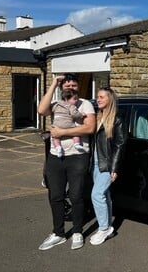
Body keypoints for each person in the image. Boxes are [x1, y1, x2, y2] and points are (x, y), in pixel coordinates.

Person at [37, 73, 96, 251]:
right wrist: (54, 83)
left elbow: (89, 127)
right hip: (56, 156)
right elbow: (41, 110)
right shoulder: (56, 104)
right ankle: (58, 233)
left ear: (78, 88)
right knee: (56, 196)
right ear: (62, 88)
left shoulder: (85, 104)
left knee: (76, 195)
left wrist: (62, 133)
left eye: (74, 85)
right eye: (67, 85)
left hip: (78, 156)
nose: (70, 87)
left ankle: (77, 231)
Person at [90, 87, 125, 245]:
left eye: (101, 97)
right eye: (97, 96)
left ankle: (103, 228)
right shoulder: (98, 117)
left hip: (107, 164)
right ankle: (109, 226)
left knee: (96, 195)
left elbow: (120, 144)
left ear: (110, 99)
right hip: (95, 163)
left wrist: (114, 168)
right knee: (105, 196)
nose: (98, 99)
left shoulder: (116, 119)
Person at [51, 88, 85, 158]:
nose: (76, 101)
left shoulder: (56, 104)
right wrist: (81, 115)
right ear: (66, 99)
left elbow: (52, 110)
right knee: (76, 133)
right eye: (74, 99)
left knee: (55, 137)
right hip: (68, 124)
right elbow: (74, 114)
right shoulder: (71, 106)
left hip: (56, 125)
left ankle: (58, 147)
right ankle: (76, 143)